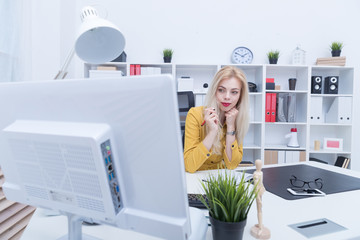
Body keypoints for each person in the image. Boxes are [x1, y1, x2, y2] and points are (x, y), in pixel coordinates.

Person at [183, 66, 249, 173]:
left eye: (234, 92)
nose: (227, 97)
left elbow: (232, 165)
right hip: (195, 175)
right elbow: (189, 166)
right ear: (214, 91)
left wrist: (231, 127)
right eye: (221, 90)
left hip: (219, 177)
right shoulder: (195, 114)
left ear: (240, 95)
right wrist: (213, 131)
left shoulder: (238, 119)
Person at [251, 159, 270, 239]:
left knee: (260, 209)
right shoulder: (256, 174)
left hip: (261, 190)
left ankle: (260, 225)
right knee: (259, 209)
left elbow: (261, 183)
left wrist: (263, 188)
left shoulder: (261, 172)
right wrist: (258, 198)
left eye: (261, 164)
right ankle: (260, 228)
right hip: (257, 191)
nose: (260, 166)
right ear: (256, 165)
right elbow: (255, 187)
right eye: (259, 164)